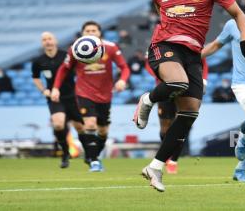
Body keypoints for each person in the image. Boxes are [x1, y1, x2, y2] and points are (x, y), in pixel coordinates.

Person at [133, 0, 245, 192]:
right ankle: (147, 99)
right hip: (164, 45)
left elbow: (238, 14)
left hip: (193, 54)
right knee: (178, 83)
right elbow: (163, 15)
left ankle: (155, 167)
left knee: (190, 112)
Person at [202, 0, 245, 182]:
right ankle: (244, 131)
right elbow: (215, 45)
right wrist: (192, 57)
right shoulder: (234, 25)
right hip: (243, 83)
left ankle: (241, 169)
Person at [51, 21, 131, 172]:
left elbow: (124, 67)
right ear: (82, 34)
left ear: (99, 33)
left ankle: (94, 155)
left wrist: (122, 80)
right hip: (84, 92)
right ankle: (94, 161)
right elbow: (64, 68)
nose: (91, 33)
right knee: (90, 124)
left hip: (105, 94)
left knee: (103, 131)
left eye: (94, 30)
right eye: (87, 30)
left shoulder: (110, 47)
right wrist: (55, 88)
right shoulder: (75, 49)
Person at [145, 57, 209, 174]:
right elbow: (148, 63)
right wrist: (161, 73)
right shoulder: (161, 46)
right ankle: (166, 156)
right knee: (165, 129)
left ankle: (173, 161)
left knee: (181, 125)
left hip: (186, 88)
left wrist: (203, 79)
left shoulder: (191, 44)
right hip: (166, 88)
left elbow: (202, 61)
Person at [32, 32, 85, 168]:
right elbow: (35, 78)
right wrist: (44, 90)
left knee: (80, 127)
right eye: (44, 39)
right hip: (55, 97)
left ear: (55, 40)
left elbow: (79, 71)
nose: (47, 41)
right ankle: (65, 154)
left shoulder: (66, 56)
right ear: (42, 43)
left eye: (49, 38)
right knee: (58, 124)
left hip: (72, 96)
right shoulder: (38, 61)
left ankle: (90, 156)